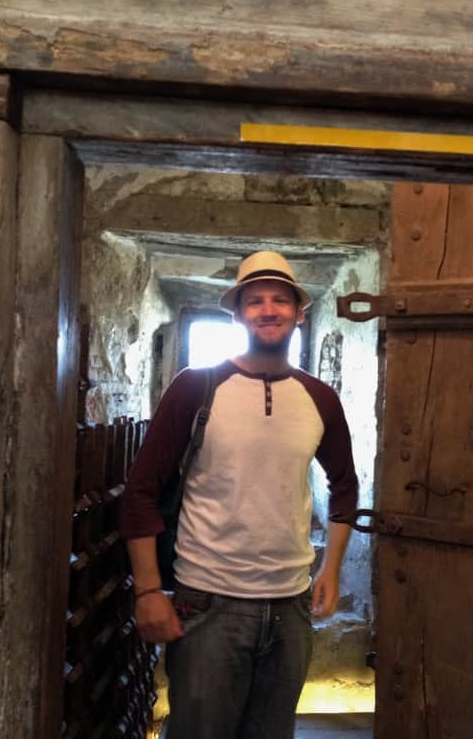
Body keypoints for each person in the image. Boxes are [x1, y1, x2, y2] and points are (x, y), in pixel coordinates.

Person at [119, 250, 358, 739]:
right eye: (255, 301)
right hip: (209, 606)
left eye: (279, 300)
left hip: (290, 609)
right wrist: (147, 590)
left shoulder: (320, 398)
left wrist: (331, 568)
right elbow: (140, 492)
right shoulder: (197, 387)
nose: (268, 310)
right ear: (237, 313)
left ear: (299, 313)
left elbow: (345, 486)